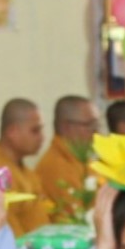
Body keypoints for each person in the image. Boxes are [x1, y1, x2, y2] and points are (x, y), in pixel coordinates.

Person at [0, 99, 52, 236]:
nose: (42, 138)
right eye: (35, 131)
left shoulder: (25, 171)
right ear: (12, 132)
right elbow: (9, 234)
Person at [36, 95, 99, 225]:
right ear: (66, 127)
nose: (95, 130)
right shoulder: (54, 166)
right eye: (89, 124)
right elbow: (76, 217)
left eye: (96, 124)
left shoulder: (83, 159)